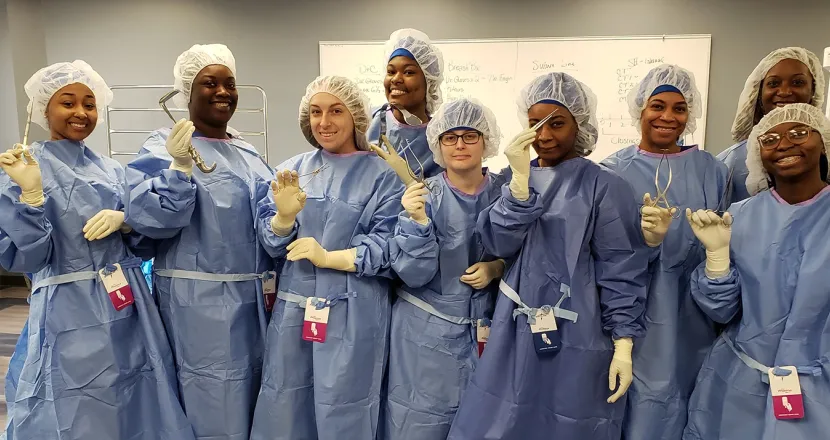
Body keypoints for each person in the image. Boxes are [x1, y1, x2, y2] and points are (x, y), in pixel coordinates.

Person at [447, 72, 650, 440]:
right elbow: (497, 243)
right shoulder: (511, 179)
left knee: (567, 421)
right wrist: (519, 187)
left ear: (579, 124)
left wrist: (623, 342)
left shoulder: (604, 185)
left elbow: (620, 267)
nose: (543, 135)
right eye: (534, 124)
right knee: (501, 419)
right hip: (513, 327)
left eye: (557, 123)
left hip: (580, 332)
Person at [0, 61, 193, 440]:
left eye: (89, 104)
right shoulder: (24, 169)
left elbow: (143, 245)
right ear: (44, 109)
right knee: (76, 402)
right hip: (68, 310)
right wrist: (32, 196)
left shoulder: (112, 171)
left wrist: (128, 220)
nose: (80, 112)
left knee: (135, 392)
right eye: (67, 102)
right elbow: (27, 258)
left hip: (127, 304)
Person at [125, 44, 273, 440]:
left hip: (252, 301)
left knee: (252, 393)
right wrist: (178, 169)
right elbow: (148, 221)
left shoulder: (247, 152)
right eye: (209, 83)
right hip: (196, 306)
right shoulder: (163, 147)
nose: (223, 92)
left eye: (230, 84)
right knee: (207, 396)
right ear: (186, 92)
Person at [249, 76, 404, 440]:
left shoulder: (383, 175)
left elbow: (390, 245)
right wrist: (283, 220)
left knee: (345, 409)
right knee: (286, 405)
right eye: (316, 112)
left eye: (336, 111)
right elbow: (270, 243)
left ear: (356, 117)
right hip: (294, 311)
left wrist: (331, 257)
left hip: (354, 312)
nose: (324, 122)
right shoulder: (293, 170)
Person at [683, 103, 830, 439]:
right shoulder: (739, 216)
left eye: (799, 133)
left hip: (820, 393)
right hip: (739, 388)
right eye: (770, 139)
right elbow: (722, 311)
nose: (784, 144)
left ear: (823, 142)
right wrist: (717, 257)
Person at [601, 64, 727, 440]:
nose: (668, 117)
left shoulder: (713, 172)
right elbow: (603, 258)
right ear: (639, 108)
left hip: (695, 317)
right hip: (630, 315)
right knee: (635, 412)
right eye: (657, 106)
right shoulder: (611, 172)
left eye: (679, 108)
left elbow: (726, 252)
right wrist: (647, 244)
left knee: (692, 405)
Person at [384, 97, 507, 440]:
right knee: (420, 423)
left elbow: (530, 254)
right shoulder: (424, 196)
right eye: (450, 137)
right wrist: (418, 223)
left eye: (470, 136)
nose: (460, 145)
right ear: (437, 144)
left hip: (489, 330)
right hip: (425, 339)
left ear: (486, 140)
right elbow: (413, 273)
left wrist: (497, 267)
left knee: (484, 423)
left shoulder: (505, 193)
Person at [718, 47, 825, 202]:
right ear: (759, 93)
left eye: (797, 82)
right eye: (773, 83)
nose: (784, 92)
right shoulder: (729, 164)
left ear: (813, 90)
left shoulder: (825, 149)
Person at [368, 28, 445, 179]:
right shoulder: (366, 121)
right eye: (391, 72)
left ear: (429, 81)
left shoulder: (440, 137)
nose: (396, 79)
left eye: (408, 72)